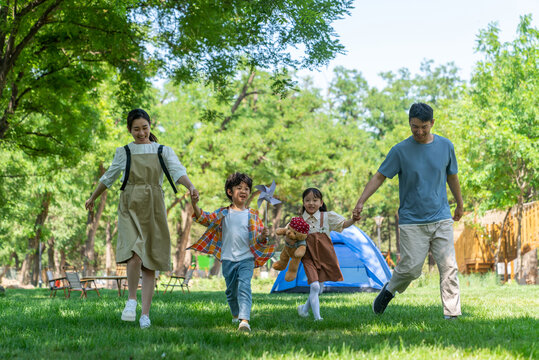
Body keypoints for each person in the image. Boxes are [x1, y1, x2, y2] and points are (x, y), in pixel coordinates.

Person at [85, 109, 198, 329]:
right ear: (130, 130)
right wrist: (93, 197)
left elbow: (177, 171)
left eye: (144, 128)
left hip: (154, 204)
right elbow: (109, 176)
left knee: (150, 261)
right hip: (130, 203)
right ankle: (131, 301)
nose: (141, 132)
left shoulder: (162, 150)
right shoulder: (124, 151)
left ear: (149, 126)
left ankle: (145, 314)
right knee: (134, 253)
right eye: (136, 129)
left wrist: (190, 185)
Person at [353, 102, 464, 320]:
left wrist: (459, 203)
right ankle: (389, 289)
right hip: (412, 221)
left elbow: (452, 176)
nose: (420, 132)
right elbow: (379, 176)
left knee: (449, 266)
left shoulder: (445, 146)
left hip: (441, 216)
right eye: (415, 127)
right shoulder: (400, 151)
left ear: (432, 123)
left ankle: (452, 314)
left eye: (424, 126)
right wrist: (361, 201)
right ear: (409, 124)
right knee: (412, 269)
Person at [188, 172, 275, 332]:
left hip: (246, 259)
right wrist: (194, 204)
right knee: (231, 291)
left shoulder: (253, 215)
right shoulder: (223, 213)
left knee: (244, 287)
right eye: (239, 187)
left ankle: (244, 320)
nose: (244, 191)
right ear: (230, 191)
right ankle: (236, 314)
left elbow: (260, 241)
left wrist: (263, 236)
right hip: (228, 259)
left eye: (247, 188)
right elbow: (204, 218)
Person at [297, 188, 360, 321]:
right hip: (308, 257)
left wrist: (353, 219)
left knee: (319, 288)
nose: (311, 203)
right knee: (314, 286)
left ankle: (303, 309)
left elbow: (344, 224)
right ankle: (317, 318)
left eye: (315, 200)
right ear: (303, 203)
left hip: (325, 256)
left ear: (321, 203)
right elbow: (288, 234)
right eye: (307, 200)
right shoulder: (299, 221)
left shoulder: (327, 217)